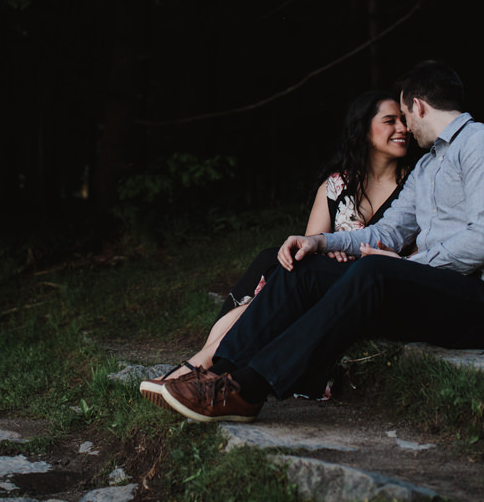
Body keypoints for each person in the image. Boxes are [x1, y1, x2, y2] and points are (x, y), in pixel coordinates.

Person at [153, 60, 484, 423]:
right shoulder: (429, 166)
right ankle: (218, 376)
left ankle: (247, 391)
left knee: (377, 270)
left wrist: (410, 268)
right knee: (304, 270)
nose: (407, 127)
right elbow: (389, 231)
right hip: (434, 292)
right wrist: (318, 241)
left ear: (417, 105)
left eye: (405, 114)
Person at [140, 89, 414, 406]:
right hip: (320, 277)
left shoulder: (413, 186)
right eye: (390, 121)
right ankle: (204, 366)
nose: (402, 129)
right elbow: (309, 245)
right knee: (273, 258)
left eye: (404, 121)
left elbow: (411, 252)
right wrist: (327, 250)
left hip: (365, 286)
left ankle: (195, 368)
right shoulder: (337, 185)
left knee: (284, 275)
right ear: (363, 128)